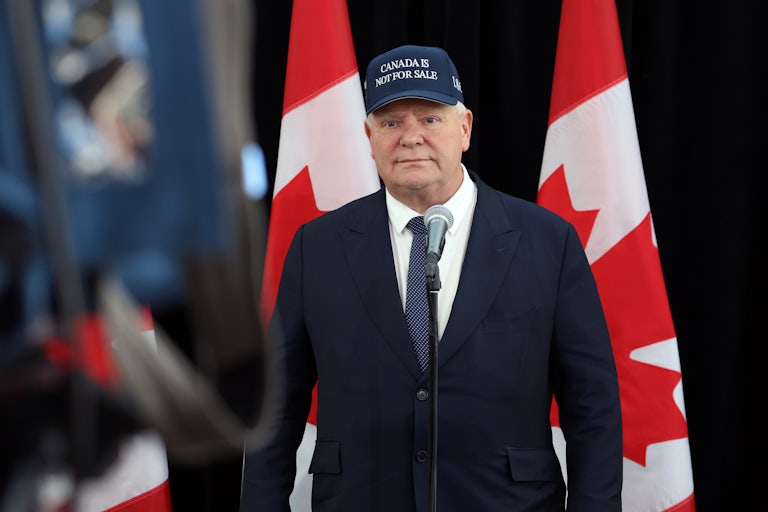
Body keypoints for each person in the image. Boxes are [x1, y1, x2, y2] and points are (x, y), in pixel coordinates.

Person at [240, 44, 623, 512]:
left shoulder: (547, 242)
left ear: (465, 128)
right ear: (369, 135)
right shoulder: (316, 248)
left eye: (430, 118)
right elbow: (273, 412)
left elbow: (593, 408)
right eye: (390, 122)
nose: (410, 136)